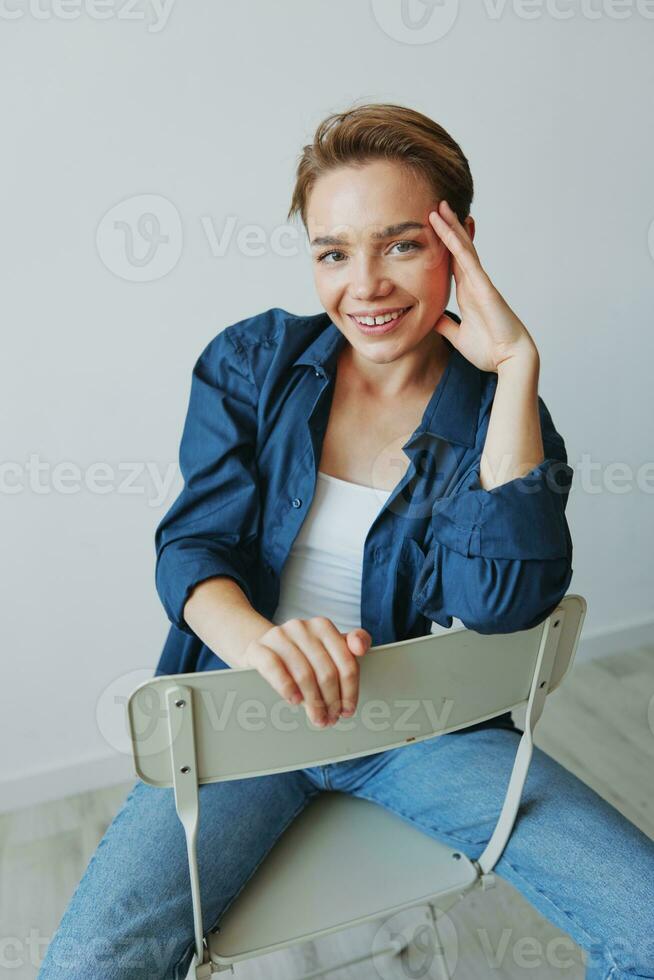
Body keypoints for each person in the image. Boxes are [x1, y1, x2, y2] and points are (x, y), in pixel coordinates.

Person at [38, 103, 654, 980]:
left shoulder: (502, 419)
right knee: (91, 967)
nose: (364, 285)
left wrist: (516, 370)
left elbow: (502, 606)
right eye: (333, 251)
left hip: (422, 724)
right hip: (247, 711)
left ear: (461, 241)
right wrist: (266, 644)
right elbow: (192, 550)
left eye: (401, 244)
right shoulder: (252, 363)